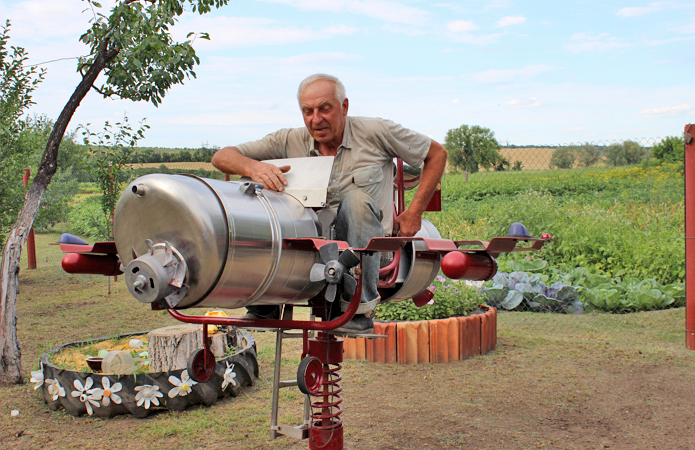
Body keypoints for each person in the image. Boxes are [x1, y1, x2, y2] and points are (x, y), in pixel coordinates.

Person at [211, 74, 447, 333]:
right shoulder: (289, 140)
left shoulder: (376, 132)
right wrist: (253, 167)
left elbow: (436, 154)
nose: (316, 119)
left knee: (356, 200)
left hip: (364, 255)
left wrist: (414, 212)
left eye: (325, 108)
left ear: (344, 107)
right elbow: (222, 156)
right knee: (259, 194)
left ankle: (358, 309)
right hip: (307, 254)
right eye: (308, 111)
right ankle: (264, 303)